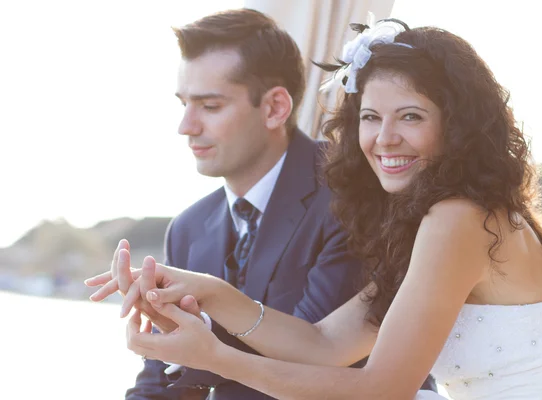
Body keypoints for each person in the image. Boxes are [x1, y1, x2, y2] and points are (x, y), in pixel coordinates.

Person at [91, 18, 542, 399]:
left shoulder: (459, 219)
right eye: (372, 117)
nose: (384, 138)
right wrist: (204, 290)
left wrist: (218, 358)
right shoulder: (440, 221)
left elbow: (382, 389)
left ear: (458, 126)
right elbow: (323, 342)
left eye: (411, 116)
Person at [84, 9, 438, 400]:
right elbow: (160, 382)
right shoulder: (187, 227)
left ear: (275, 108)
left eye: (210, 106)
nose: (186, 126)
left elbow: (313, 355)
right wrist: (168, 338)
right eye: (184, 103)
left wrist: (199, 331)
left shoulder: (356, 189)